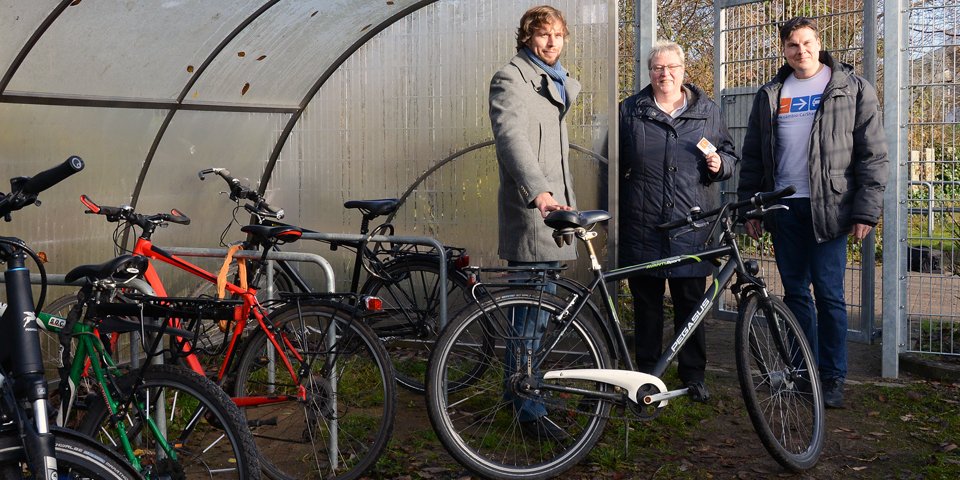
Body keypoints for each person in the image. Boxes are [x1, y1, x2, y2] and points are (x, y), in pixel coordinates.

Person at [738, 17, 888, 409]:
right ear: (783, 50)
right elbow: (753, 155)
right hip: (784, 207)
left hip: (831, 209)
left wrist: (865, 212)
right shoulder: (772, 92)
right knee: (795, 295)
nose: (800, 51)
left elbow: (872, 155)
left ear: (819, 44)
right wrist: (752, 206)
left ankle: (833, 376)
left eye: (806, 43)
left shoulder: (851, 88)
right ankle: (802, 372)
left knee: (830, 294)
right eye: (792, 45)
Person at [618, 40, 737, 403]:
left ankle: (693, 375)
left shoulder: (707, 112)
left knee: (691, 303)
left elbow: (731, 154)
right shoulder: (630, 111)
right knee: (647, 304)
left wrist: (722, 166)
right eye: (657, 68)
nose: (664, 74)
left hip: (691, 226)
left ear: (684, 71)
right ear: (649, 72)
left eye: (672, 67)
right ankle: (647, 375)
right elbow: (611, 164)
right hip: (643, 225)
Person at [489, 5, 579, 440]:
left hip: (554, 212)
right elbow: (512, 139)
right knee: (529, 318)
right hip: (533, 214)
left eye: (558, 35)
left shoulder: (552, 79)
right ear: (526, 37)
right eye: (543, 35)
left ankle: (521, 393)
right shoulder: (511, 78)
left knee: (539, 316)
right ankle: (527, 407)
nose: (551, 42)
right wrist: (539, 192)